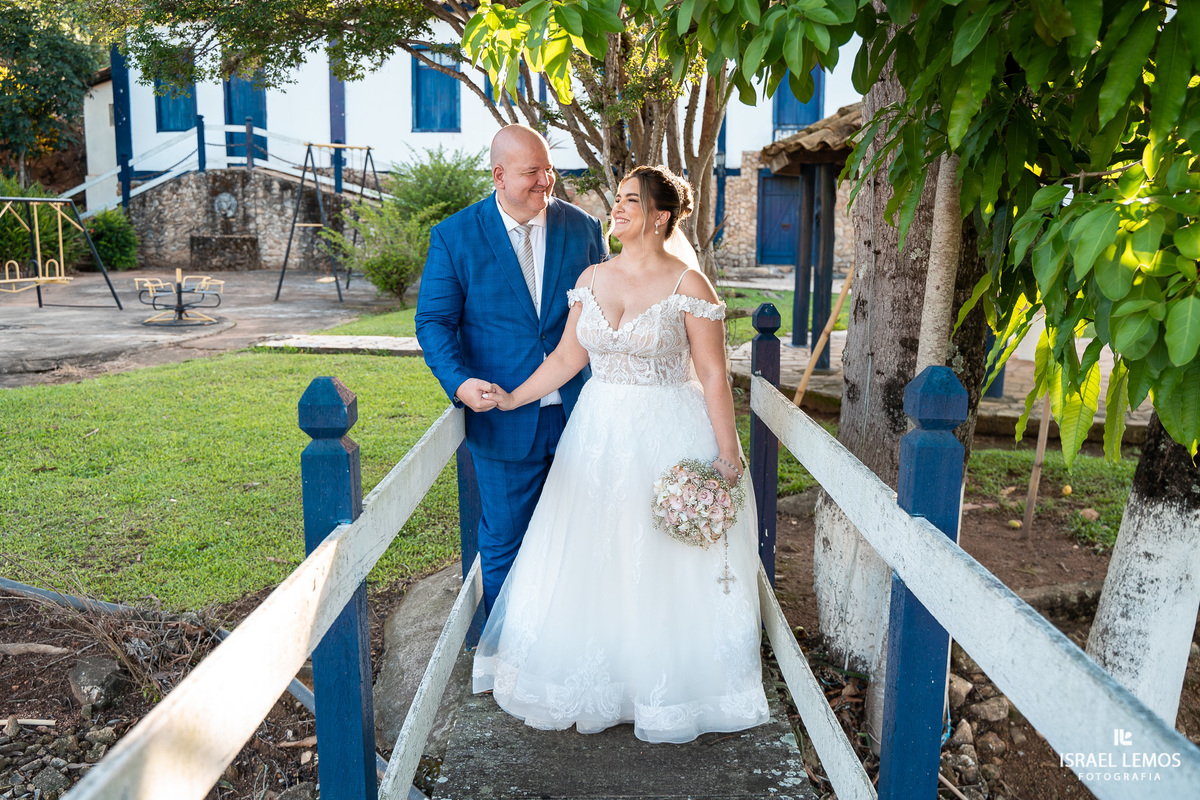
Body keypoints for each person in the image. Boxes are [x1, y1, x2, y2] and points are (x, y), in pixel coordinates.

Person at [471, 165, 770, 744]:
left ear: (660, 217)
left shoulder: (690, 285)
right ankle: (597, 677)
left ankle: (659, 685)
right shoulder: (591, 276)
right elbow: (565, 361)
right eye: (619, 199)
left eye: (632, 200)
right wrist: (512, 399)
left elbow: (712, 374)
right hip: (598, 434)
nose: (619, 208)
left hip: (667, 432)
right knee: (594, 550)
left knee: (660, 559)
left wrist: (728, 454)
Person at [415, 125, 607, 613]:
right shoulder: (455, 235)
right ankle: (506, 654)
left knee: (581, 536)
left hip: (580, 414)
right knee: (504, 541)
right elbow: (433, 322)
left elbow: (604, 316)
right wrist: (458, 381)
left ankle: (567, 639)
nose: (545, 181)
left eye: (548, 169)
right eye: (531, 173)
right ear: (498, 175)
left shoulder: (584, 228)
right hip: (502, 418)